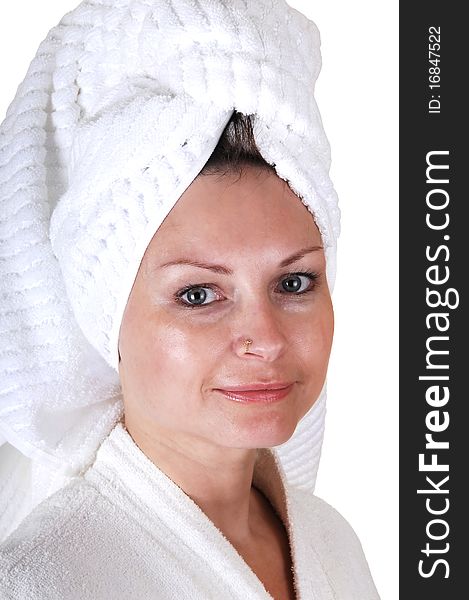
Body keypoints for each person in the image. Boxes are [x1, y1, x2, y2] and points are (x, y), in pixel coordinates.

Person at [0, 1, 379, 598]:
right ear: (107, 319)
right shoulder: (51, 583)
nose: (268, 337)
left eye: (294, 282)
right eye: (199, 294)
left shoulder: (333, 542)